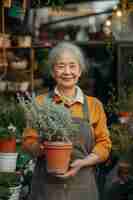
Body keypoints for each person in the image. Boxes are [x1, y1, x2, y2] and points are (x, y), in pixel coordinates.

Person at [22, 41, 112, 200]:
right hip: (47, 188)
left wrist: (83, 163)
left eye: (72, 66)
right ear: (52, 71)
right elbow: (28, 141)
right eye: (61, 66)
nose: (67, 72)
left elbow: (104, 145)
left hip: (83, 187)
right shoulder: (41, 103)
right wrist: (45, 148)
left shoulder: (94, 105)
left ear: (80, 70)